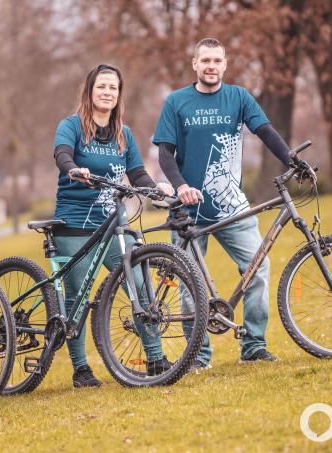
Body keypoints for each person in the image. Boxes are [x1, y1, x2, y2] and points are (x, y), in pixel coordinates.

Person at [153, 38, 293, 369]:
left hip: (232, 207)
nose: (211, 66)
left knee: (258, 268)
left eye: (217, 60)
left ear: (225, 65)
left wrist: (291, 161)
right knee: (191, 287)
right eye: (205, 61)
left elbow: (265, 131)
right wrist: (181, 186)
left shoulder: (238, 97)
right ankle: (197, 356)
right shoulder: (176, 102)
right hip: (187, 211)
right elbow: (164, 153)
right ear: (195, 64)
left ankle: (254, 345)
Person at [53, 64, 175, 387]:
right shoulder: (71, 126)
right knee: (77, 296)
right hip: (74, 224)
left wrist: (155, 187)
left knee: (139, 282)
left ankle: (154, 358)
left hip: (113, 225)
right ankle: (81, 369)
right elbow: (62, 155)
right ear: (90, 91)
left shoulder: (124, 133)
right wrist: (74, 169)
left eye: (113, 88)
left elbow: (136, 173)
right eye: (101, 87)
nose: (107, 93)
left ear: (119, 94)